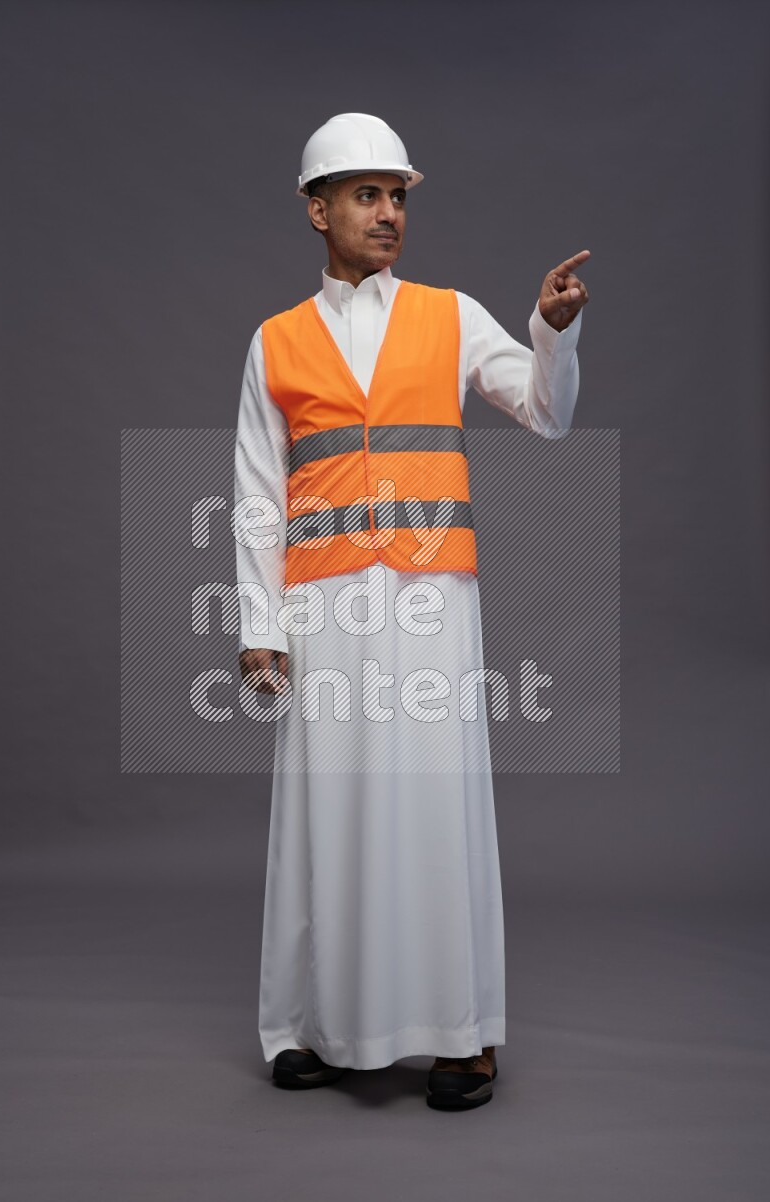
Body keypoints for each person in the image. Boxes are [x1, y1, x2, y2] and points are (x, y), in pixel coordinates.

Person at [233, 112, 589, 1110]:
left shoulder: (450, 314)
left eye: (398, 195)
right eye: (366, 194)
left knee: (436, 802)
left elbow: (545, 412)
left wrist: (550, 330)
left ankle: (461, 1035)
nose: (389, 212)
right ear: (317, 210)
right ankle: (309, 1025)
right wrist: (259, 626)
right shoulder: (273, 344)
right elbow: (258, 491)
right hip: (323, 604)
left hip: (430, 601)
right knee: (324, 807)